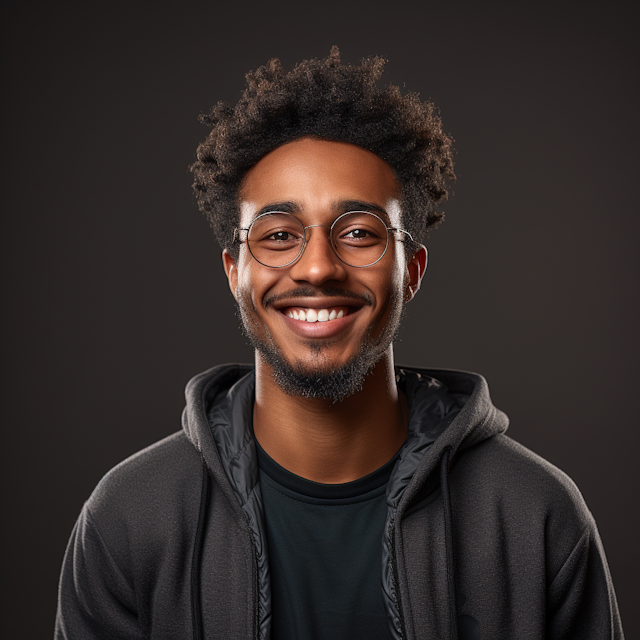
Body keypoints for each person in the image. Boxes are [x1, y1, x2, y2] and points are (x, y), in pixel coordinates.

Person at [55, 47, 624, 640]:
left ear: (413, 269)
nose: (318, 268)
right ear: (233, 270)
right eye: (278, 235)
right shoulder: (129, 517)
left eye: (358, 232)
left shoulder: (537, 516)